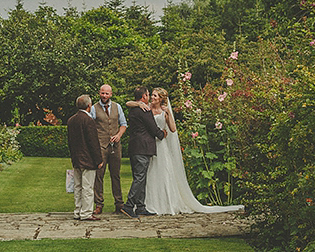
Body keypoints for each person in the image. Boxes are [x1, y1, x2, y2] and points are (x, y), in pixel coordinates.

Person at [130, 88, 245, 215]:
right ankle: (146, 204)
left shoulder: (165, 111)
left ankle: (165, 203)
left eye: (155, 96)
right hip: (149, 145)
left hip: (161, 145)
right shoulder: (146, 107)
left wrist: (168, 115)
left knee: (163, 173)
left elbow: (173, 129)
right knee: (148, 175)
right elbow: (129, 103)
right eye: (151, 95)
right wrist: (138, 103)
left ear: (161, 98)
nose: (152, 97)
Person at [121, 86, 166, 219]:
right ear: (144, 97)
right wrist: (162, 134)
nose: (149, 97)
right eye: (148, 94)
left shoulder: (133, 110)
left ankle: (141, 207)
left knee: (140, 177)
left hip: (134, 147)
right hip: (143, 148)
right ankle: (128, 205)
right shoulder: (145, 110)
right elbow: (153, 128)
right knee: (140, 178)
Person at [88, 84, 127, 215]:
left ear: (111, 94)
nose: (104, 96)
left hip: (115, 146)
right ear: (99, 93)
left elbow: (123, 124)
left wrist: (118, 135)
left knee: (115, 175)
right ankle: (99, 204)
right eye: (102, 93)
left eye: (107, 93)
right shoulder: (94, 108)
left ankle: (119, 204)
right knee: (99, 175)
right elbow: (90, 126)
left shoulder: (117, 107)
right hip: (100, 146)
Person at [67, 94, 104, 221]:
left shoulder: (71, 120)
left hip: (76, 158)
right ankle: (86, 213)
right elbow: (93, 142)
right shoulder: (88, 121)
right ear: (89, 106)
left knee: (77, 186)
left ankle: (77, 211)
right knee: (87, 187)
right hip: (88, 159)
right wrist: (98, 159)